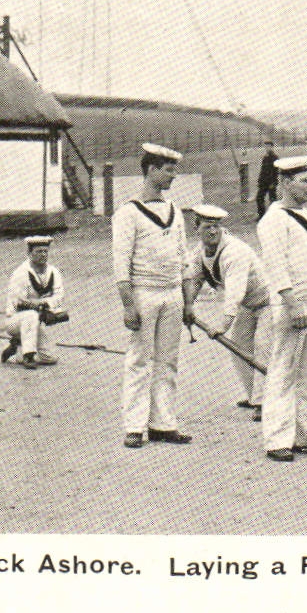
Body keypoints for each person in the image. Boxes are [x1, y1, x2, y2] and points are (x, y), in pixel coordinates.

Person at [256, 155, 307, 462]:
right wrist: (292, 304)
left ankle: (305, 433)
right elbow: (276, 267)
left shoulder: (303, 213)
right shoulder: (273, 220)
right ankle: (277, 439)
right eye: (304, 181)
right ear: (285, 183)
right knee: (282, 371)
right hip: (293, 305)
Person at [113, 143, 194, 449]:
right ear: (151, 170)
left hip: (172, 294)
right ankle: (134, 426)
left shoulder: (175, 211)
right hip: (143, 293)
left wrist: (188, 302)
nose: (173, 175)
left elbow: (183, 259)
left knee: (168, 361)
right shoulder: (128, 213)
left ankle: (163, 423)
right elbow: (121, 266)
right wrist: (128, 306)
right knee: (139, 361)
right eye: (168, 169)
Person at [185, 204, 269, 418]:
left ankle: (266, 403)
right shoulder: (200, 251)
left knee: (263, 349)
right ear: (197, 229)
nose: (212, 231)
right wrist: (187, 306)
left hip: (269, 302)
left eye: (216, 226)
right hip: (247, 306)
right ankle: (254, 396)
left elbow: (235, 292)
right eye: (207, 227)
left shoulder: (234, 251)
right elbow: (194, 280)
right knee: (238, 349)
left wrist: (223, 325)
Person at [1, 236, 68, 368]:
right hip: (15, 320)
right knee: (30, 315)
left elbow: (59, 296)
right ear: (29, 253)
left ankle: (17, 346)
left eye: (45, 251)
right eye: (38, 251)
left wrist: (42, 305)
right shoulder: (21, 273)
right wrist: (39, 305)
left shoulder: (53, 272)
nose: (43, 255)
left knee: (50, 358)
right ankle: (28, 356)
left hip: (35, 322)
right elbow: (19, 302)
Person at [255, 138, 279, 220]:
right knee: (259, 198)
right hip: (263, 182)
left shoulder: (275, 158)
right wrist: (259, 181)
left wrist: (273, 183)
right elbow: (263, 170)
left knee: (273, 200)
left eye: (269, 146)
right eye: (266, 147)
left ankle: (275, 216)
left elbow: (276, 172)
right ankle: (261, 216)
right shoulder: (265, 157)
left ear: (272, 147)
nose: (267, 148)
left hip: (271, 182)